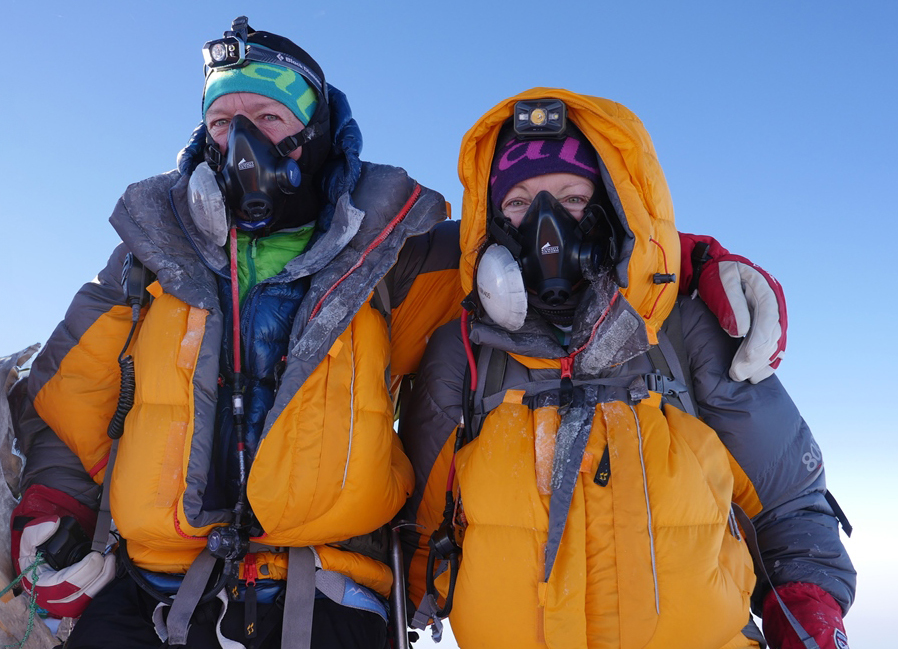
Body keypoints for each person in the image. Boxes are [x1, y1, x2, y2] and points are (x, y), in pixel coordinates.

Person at [6, 18, 789, 649]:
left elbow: (545, 256)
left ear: (310, 133)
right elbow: (70, 398)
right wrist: (53, 503)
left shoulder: (396, 253)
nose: (237, 141)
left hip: (329, 596)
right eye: (221, 120)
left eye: (266, 116)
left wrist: (692, 260)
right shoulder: (148, 256)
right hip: (154, 594)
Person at [399, 90, 854, 649]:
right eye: (518, 203)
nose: (546, 225)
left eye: (571, 196)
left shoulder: (687, 333)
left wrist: (807, 615)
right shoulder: (463, 353)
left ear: (612, 208)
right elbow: (417, 534)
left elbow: (789, 507)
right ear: (491, 227)